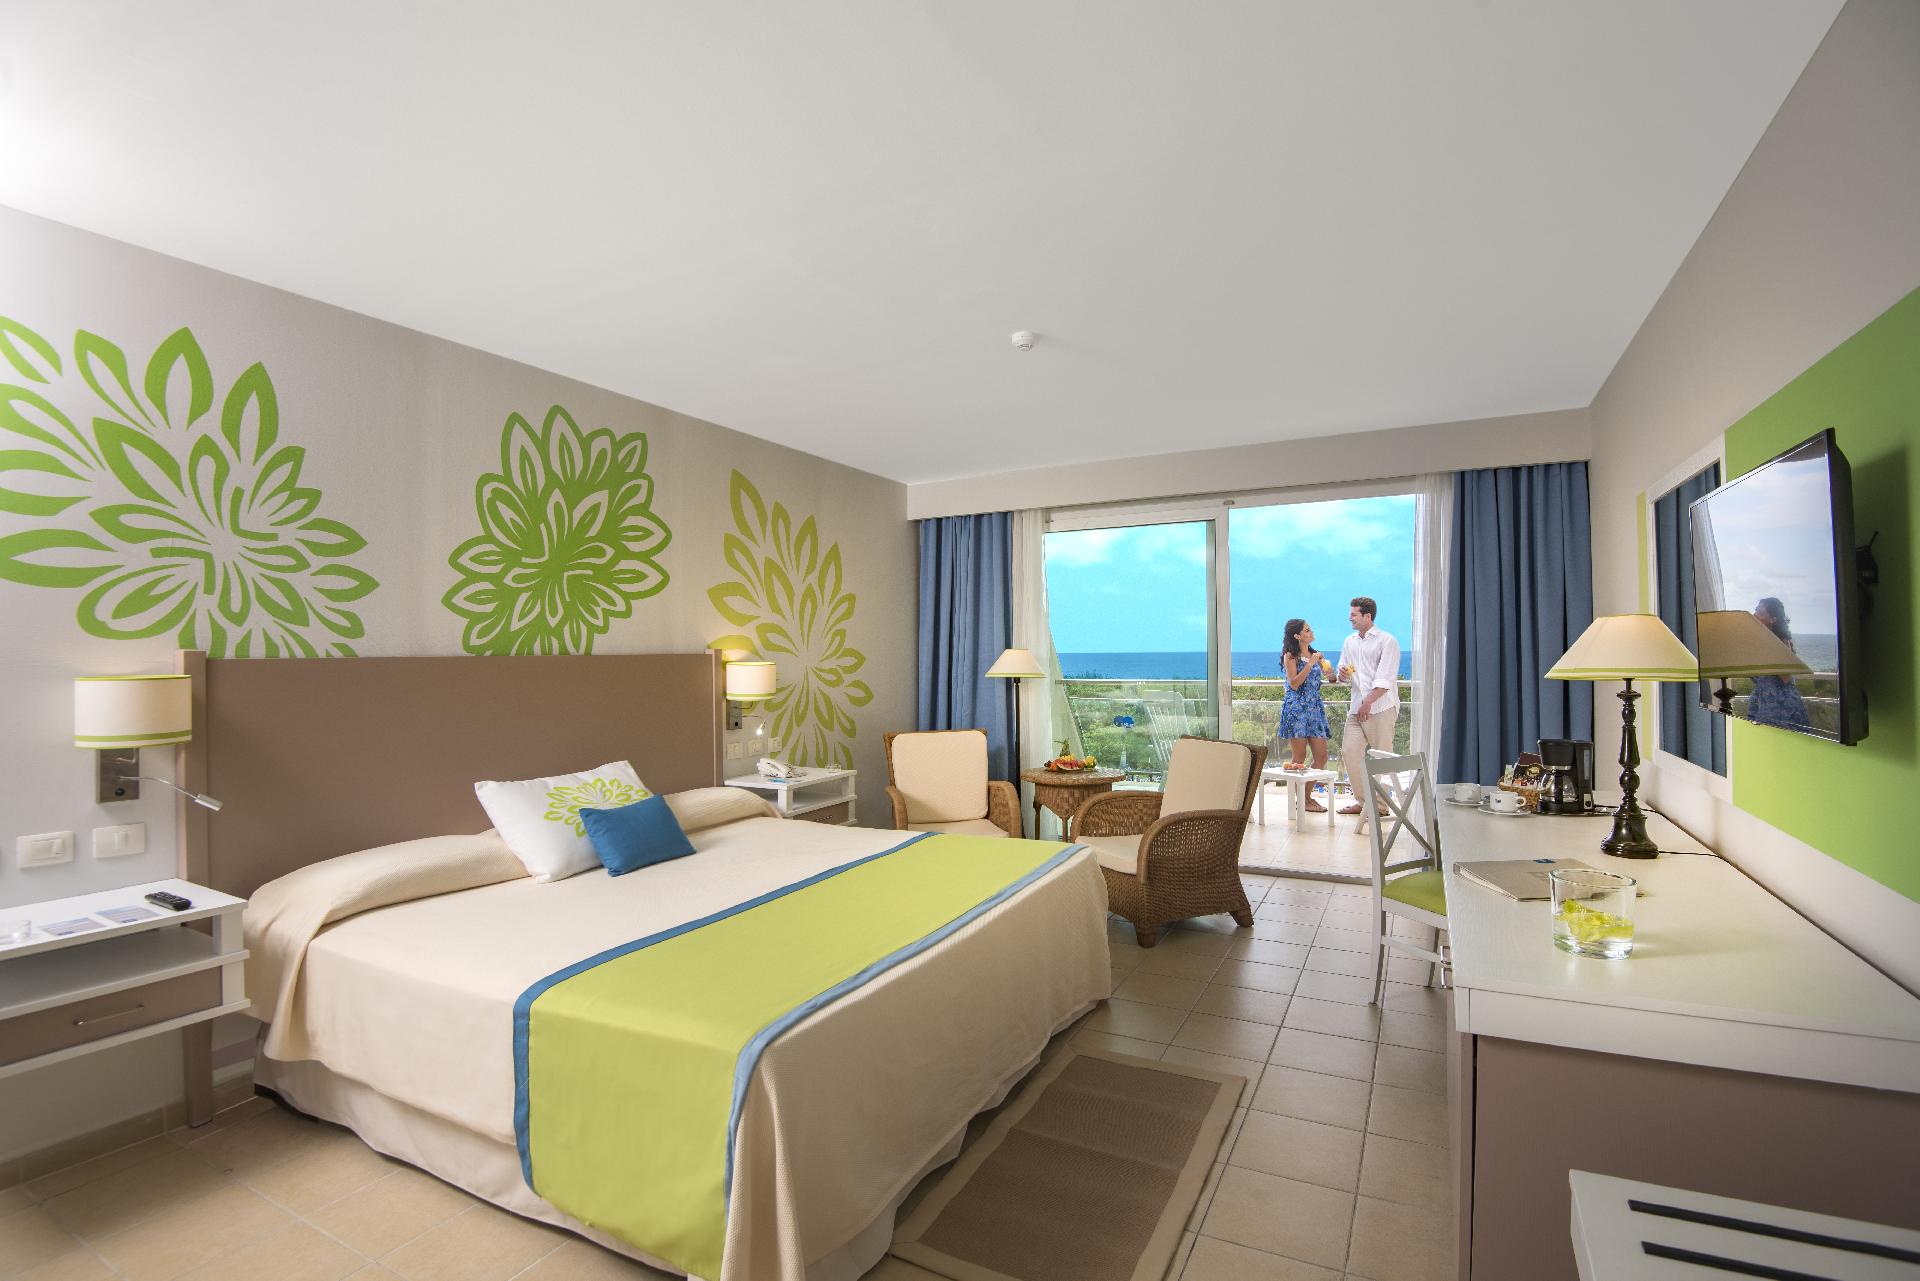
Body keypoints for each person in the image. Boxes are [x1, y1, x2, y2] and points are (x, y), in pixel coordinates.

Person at [1332, 596, 1401, 827]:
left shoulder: (1387, 641)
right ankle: (1363, 803)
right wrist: (1342, 675)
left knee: (1382, 757)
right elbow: (1344, 674)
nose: (1350, 618)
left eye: (1354, 614)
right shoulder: (1349, 641)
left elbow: (1385, 678)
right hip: (1357, 707)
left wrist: (1368, 702)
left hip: (1380, 707)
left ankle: (1380, 806)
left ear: (1367, 616)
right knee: (1350, 752)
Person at [1276, 618, 1332, 809]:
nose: (1311, 632)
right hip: (1296, 709)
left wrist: (1332, 673)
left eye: (1310, 629)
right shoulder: (1290, 656)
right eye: (1307, 630)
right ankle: (1302, 801)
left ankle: (1305, 797)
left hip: (1315, 709)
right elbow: (1294, 683)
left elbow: (1330, 678)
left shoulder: (1316, 655)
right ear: (1297, 636)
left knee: (1321, 757)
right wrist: (1310, 664)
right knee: (1299, 757)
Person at [1747, 596, 1810, 728]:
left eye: (1760, 612)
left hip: (1781, 706)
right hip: (1762, 701)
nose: (1754, 615)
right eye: (1755, 610)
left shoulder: (1780, 642)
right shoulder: (1762, 641)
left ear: (1773, 619)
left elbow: (1785, 676)